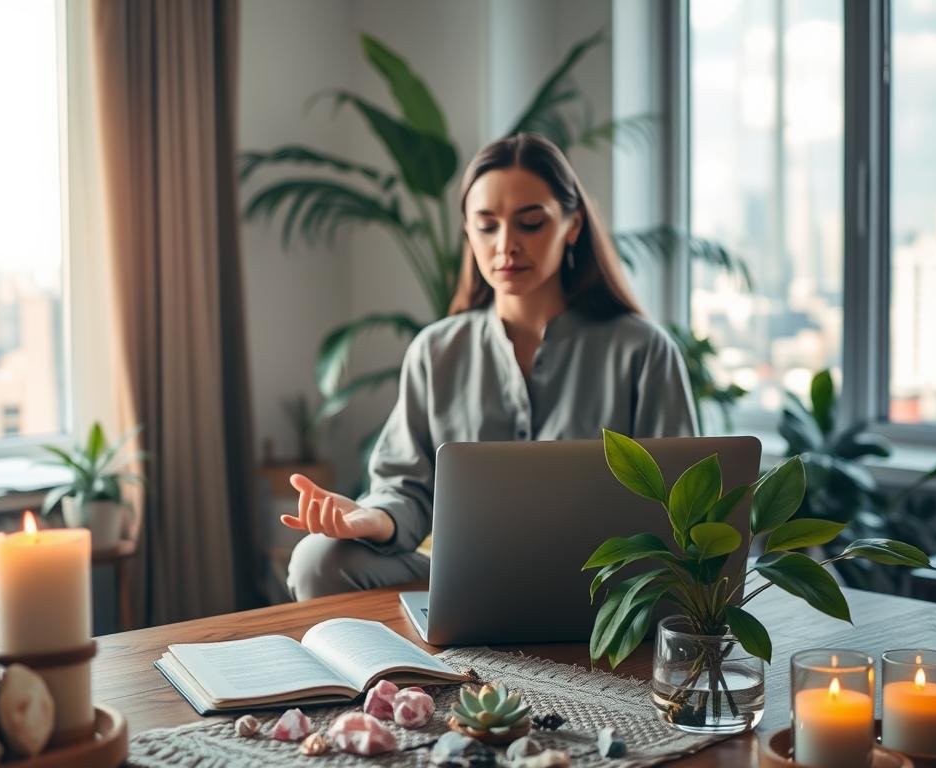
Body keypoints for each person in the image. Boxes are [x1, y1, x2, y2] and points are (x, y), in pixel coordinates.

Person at [283, 133, 698, 601]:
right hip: (465, 579)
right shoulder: (435, 350)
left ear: (573, 225)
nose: (506, 245)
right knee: (318, 559)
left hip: (601, 587)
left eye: (531, 223)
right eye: (487, 226)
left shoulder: (643, 350)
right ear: (468, 232)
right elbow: (406, 489)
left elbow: (681, 511)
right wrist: (371, 519)